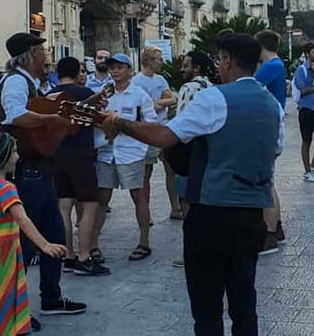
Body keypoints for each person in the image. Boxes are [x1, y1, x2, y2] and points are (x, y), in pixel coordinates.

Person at [100, 33, 284, 336]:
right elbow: (273, 151)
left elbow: (164, 137)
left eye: (219, 59)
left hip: (211, 212)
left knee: (207, 305)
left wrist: (118, 123)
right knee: (244, 300)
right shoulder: (272, 105)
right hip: (251, 214)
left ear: (226, 61)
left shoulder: (215, 98)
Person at [0, 32, 87, 322]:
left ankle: (51, 297)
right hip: (26, 170)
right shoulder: (17, 82)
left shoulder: (29, 84)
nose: (47, 57)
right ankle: (13, 310)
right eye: (42, 52)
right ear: (30, 55)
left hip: (39, 168)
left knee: (54, 233)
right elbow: (15, 116)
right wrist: (49, 121)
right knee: (25, 242)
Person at [0, 132, 67, 336]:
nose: (18, 156)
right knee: (5, 295)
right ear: (3, 157)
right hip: (4, 253)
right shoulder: (6, 188)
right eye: (14, 152)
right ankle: (4, 328)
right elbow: (22, 218)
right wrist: (44, 245)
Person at [92, 53, 157, 262]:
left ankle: (144, 241)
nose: (115, 71)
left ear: (129, 70)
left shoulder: (139, 95)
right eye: (113, 67)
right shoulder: (103, 94)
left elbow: (151, 123)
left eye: (120, 67)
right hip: (106, 153)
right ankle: (93, 244)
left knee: (139, 196)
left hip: (131, 152)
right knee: (101, 199)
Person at [51, 56, 109, 276]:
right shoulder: (85, 94)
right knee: (89, 205)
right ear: (77, 73)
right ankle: (84, 258)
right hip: (81, 155)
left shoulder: (49, 94)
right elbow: (100, 120)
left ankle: (68, 255)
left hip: (57, 154)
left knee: (63, 206)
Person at [170, 50, 214, 269]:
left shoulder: (189, 88)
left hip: (189, 151)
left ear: (196, 68)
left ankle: (191, 252)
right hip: (208, 150)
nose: (182, 69)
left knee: (187, 201)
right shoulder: (212, 87)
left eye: (186, 66)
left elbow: (183, 123)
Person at [132, 46, 180, 220]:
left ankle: (175, 207)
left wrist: (158, 102)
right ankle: (146, 212)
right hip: (148, 130)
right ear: (148, 60)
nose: (161, 61)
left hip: (164, 127)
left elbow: (172, 98)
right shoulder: (137, 81)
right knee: (146, 174)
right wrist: (155, 105)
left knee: (171, 170)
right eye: (158, 58)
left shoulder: (160, 79)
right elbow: (140, 106)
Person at [254, 30, 287, 254]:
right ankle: (277, 227)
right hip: (274, 124)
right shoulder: (278, 65)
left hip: (268, 126)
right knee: (268, 180)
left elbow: (248, 86)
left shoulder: (270, 66)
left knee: (266, 182)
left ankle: (270, 234)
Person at [292, 43, 314, 182]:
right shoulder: (301, 70)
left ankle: (313, 165)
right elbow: (302, 89)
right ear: (307, 54)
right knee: (306, 141)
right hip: (305, 108)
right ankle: (307, 171)